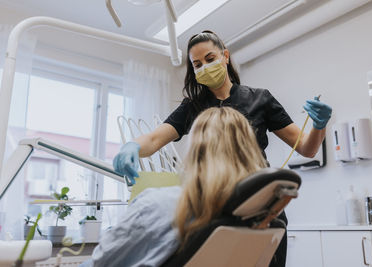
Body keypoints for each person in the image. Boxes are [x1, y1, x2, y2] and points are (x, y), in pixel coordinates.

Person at [113, 31, 332, 266]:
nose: (204, 67)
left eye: (210, 59)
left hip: (260, 205)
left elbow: (307, 149)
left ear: (225, 56)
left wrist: (319, 126)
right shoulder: (193, 107)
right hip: (213, 209)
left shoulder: (260, 99)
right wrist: (133, 146)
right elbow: (156, 138)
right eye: (197, 64)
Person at [83, 107, 268, 267]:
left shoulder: (157, 204)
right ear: (250, 149)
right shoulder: (254, 215)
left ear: (195, 149)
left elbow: (102, 261)